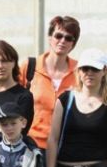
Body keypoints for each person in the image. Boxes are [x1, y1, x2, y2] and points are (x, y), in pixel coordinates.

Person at [46, 48, 107, 167]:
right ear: (78, 71)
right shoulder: (66, 99)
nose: (89, 73)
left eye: (94, 69)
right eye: (85, 69)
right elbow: (53, 139)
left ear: (104, 71)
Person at [19, 16, 80, 151]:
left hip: (67, 147)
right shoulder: (29, 67)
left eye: (68, 38)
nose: (62, 41)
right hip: (31, 145)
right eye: (58, 36)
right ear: (50, 38)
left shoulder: (80, 71)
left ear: (73, 44)